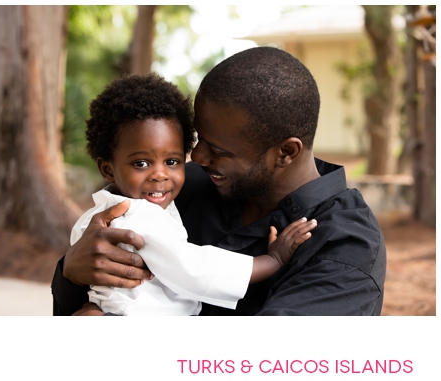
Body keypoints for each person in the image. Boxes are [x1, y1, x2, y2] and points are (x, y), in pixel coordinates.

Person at [52, 47, 387, 316]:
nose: (196, 157)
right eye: (198, 140)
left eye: (218, 149)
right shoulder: (178, 190)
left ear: (285, 152)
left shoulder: (344, 249)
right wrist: (72, 273)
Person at [73, 73, 316, 316]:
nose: (160, 174)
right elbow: (195, 270)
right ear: (107, 169)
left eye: (172, 161)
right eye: (141, 163)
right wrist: (272, 260)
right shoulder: (139, 216)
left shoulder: (97, 215)